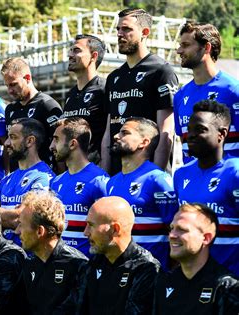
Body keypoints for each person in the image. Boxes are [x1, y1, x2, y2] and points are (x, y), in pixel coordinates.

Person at [101, 8, 179, 175]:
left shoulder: (161, 71)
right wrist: (106, 175)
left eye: (126, 29)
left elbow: (166, 133)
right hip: (117, 175)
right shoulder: (114, 77)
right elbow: (109, 132)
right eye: (118, 29)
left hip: (145, 175)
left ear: (144, 32)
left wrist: (155, 177)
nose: (120, 34)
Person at [57, 196, 161, 314]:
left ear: (115, 229)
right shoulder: (92, 265)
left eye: (91, 225)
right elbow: (71, 308)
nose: (85, 233)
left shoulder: (146, 268)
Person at [173, 100, 239, 275]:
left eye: (200, 129)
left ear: (222, 134)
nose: (190, 135)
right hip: (191, 278)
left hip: (230, 279)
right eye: (189, 129)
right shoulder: (181, 175)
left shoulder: (235, 172)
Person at [106, 117, 177, 267]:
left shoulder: (159, 180)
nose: (116, 136)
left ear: (144, 142)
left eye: (125, 133)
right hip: (118, 269)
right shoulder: (112, 182)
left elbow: (174, 229)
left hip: (151, 271)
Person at [153, 203, 239, 314]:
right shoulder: (163, 282)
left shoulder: (226, 287)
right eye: (172, 228)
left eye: (182, 229)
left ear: (206, 238)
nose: (172, 235)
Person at [174, 22, 239, 161]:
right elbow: (185, 147)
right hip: (192, 181)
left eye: (185, 45)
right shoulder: (180, 96)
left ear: (206, 47)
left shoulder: (233, 91)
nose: (179, 51)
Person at [16, 190, 88, 314]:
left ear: (40, 231)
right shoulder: (29, 265)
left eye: (21, 225)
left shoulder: (79, 266)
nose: (17, 231)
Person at [50, 117, 109, 254]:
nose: (51, 146)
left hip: (87, 265)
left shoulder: (99, 181)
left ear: (72, 144)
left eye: (56, 139)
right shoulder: (56, 182)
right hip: (60, 263)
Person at [0, 118, 54, 241]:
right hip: (5, 252)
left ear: (30, 141)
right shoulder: (7, 179)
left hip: (28, 254)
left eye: (13, 137)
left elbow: (25, 218)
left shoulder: (43, 177)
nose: (6, 143)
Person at [2, 57, 63, 171]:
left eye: (13, 84)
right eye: (7, 85)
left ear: (27, 78)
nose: (9, 90)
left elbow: (60, 145)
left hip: (41, 176)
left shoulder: (47, 105)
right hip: (18, 176)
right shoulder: (10, 109)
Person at [64, 34, 107, 162]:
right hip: (72, 171)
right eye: (70, 50)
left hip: (94, 172)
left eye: (76, 50)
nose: (70, 55)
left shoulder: (104, 90)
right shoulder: (70, 94)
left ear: (93, 56)